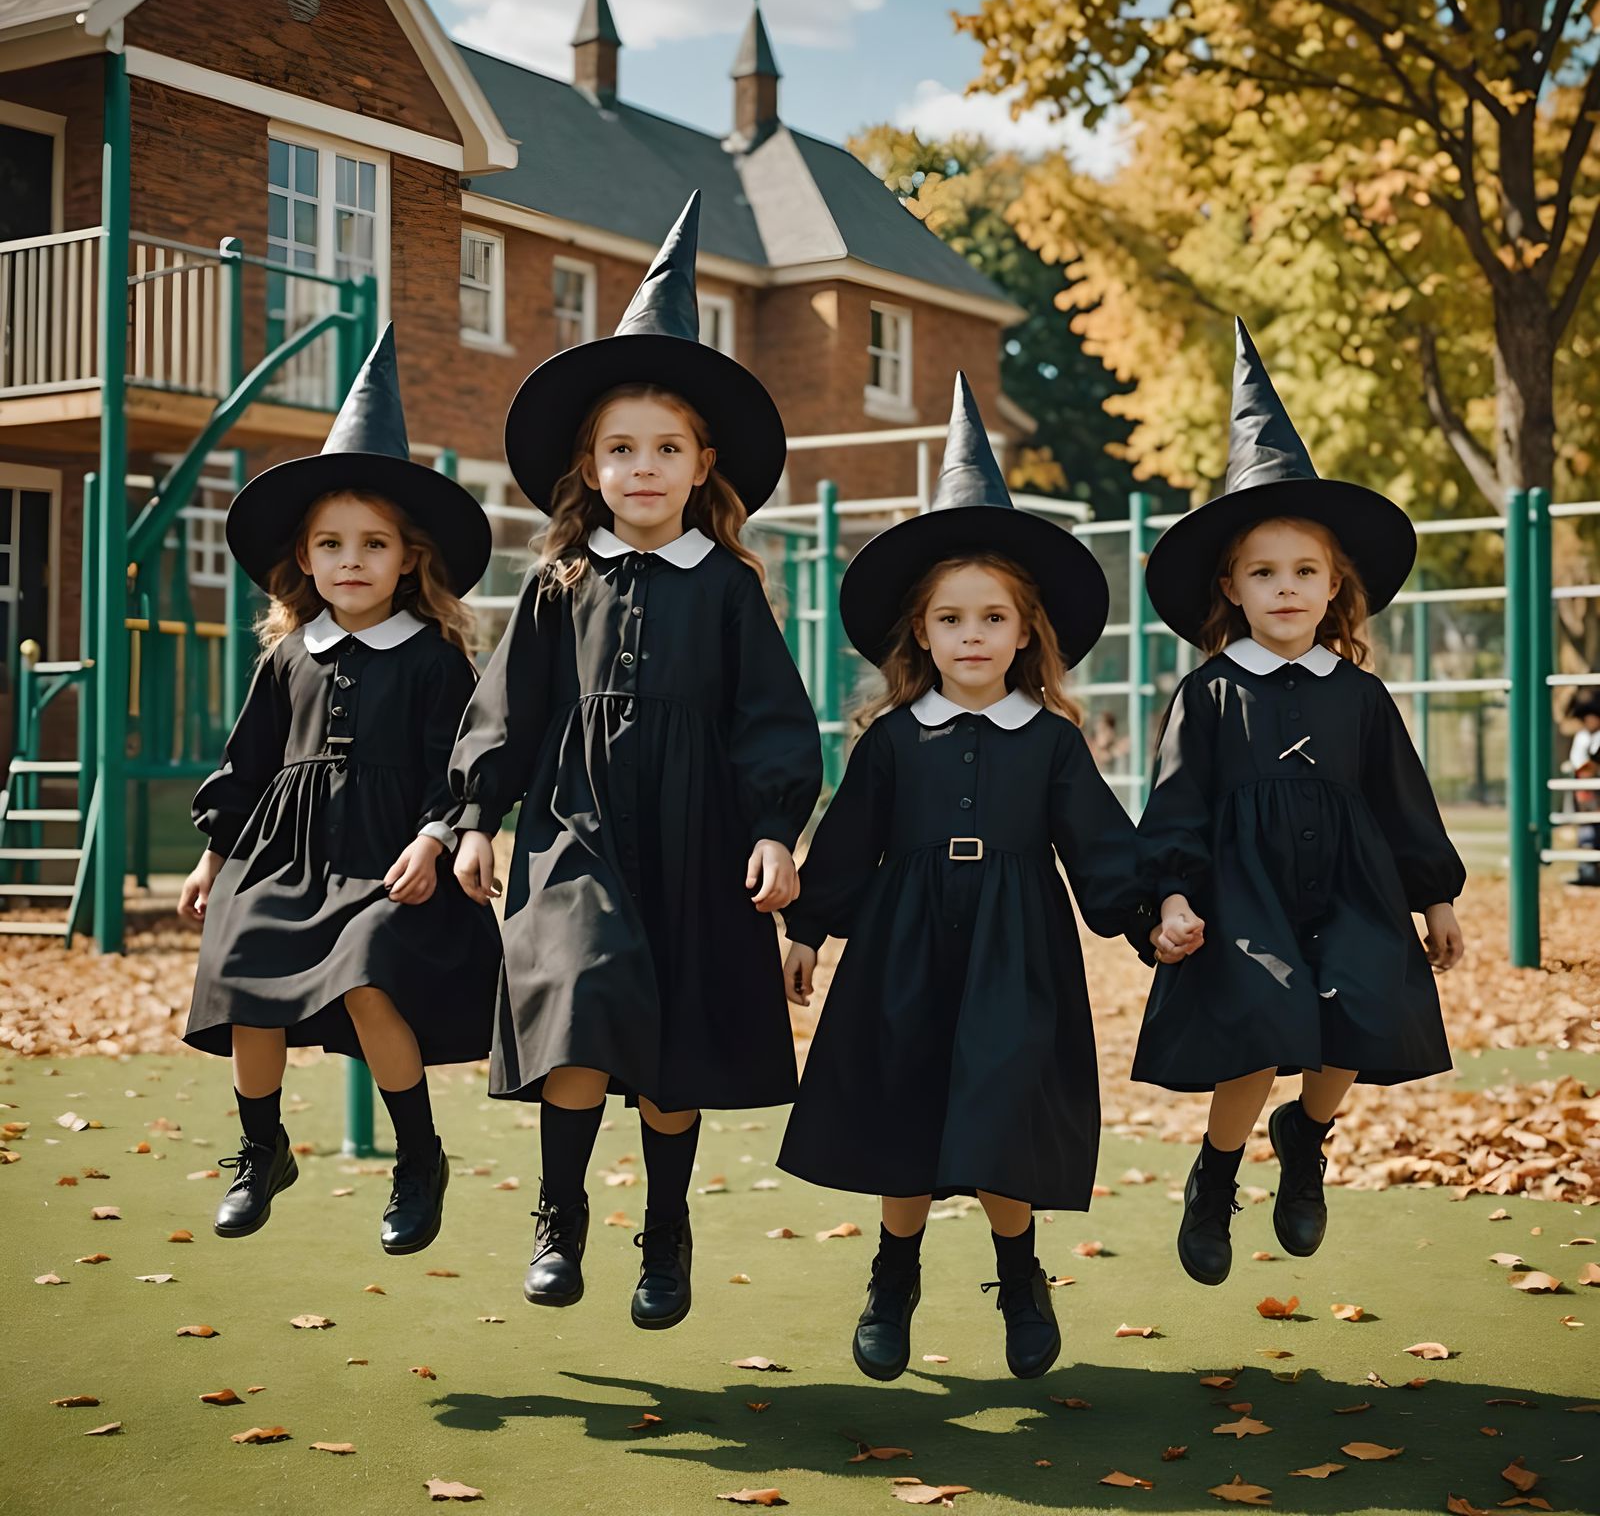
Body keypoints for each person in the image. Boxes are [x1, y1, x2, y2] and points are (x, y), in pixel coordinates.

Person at [445, 193, 822, 1331]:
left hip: (699, 841)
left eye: (666, 449)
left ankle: (665, 1228)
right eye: (622, 449)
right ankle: (560, 1214)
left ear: (703, 465)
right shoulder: (559, 583)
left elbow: (773, 721)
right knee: (576, 995)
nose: (644, 467)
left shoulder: (730, 588)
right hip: (578, 829)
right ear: (590, 465)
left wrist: (774, 830)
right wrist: (475, 817)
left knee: (671, 1053)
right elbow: (506, 710)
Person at [776, 375, 1170, 1382]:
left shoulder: (1052, 741)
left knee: (1001, 1110)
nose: (972, 636)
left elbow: (1102, 846)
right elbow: (845, 844)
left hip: (1015, 946)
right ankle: (892, 1277)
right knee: (905, 1111)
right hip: (903, 945)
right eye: (950, 619)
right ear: (920, 633)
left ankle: (1020, 1275)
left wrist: (1147, 918)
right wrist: (808, 930)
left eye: (993, 617)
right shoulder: (890, 741)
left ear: (1026, 632)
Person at [1134, 319, 1466, 1286]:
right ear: (1232, 588)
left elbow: (1402, 799)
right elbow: (1176, 804)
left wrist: (1435, 895)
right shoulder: (1209, 693)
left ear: (1334, 588)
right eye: (1264, 572)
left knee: (1361, 1007)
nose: (1286, 588)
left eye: (1305, 572)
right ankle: (1216, 1171)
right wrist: (1172, 895)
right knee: (1262, 1024)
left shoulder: (1358, 695)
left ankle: (1305, 1136)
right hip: (1245, 895)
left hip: (1354, 887)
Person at [179, 326, 500, 1255]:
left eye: (373, 544)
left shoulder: (435, 660)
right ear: (306, 559)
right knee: (242, 966)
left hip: (389, 859)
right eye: (331, 544)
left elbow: (463, 766)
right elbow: (246, 764)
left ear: (409, 560)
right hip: (284, 855)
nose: (350, 560)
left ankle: (418, 1159)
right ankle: (262, 1150)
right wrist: (213, 856)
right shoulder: (288, 658)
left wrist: (436, 839)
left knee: (367, 974)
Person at [1565, 689, 1600, 888]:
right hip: (1585, 790)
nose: (1589, 721)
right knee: (1586, 830)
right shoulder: (1582, 737)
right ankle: (1586, 870)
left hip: (1595, 788)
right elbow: (1580, 763)